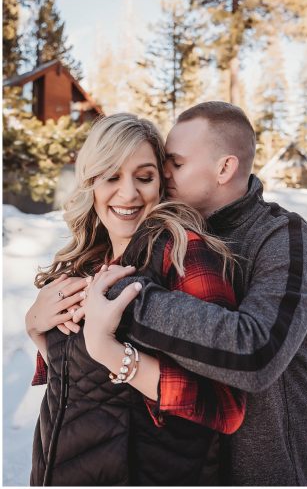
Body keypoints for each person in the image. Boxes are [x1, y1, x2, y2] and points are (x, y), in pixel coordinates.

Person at [81, 102, 307, 485]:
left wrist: (125, 300)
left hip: (256, 473)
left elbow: (257, 352)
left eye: (175, 163)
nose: (164, 172)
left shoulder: (283, 237)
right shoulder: (160, 235)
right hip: (180, 467)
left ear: (224, 168)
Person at [26, 113, 245, 485]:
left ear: (161, 184)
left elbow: (225, 406)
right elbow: (75, 382)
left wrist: (110, 351)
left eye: (144, 177)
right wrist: (35, 327)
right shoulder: (85, 262)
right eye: (111, 177)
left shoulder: (183, 255)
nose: (128, 193)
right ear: (91, 183)